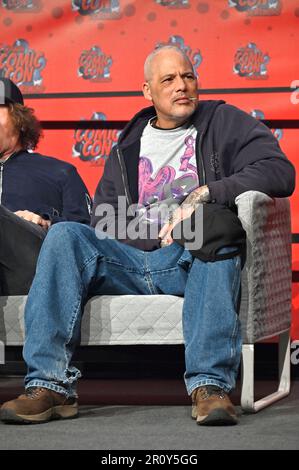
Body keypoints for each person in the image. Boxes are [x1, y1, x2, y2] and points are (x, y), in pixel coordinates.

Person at [0, 46, 295, 426]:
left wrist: (204, 195)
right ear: (147, 91)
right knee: (66, 236)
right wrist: (154, 235)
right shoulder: (128, 145)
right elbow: (104, 221)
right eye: (168, 80)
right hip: (132, 259)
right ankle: (49, 386)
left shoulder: (225, 122)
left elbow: (279, 171)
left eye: (188, 76)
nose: (181, 86)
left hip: (191, 255)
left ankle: (210, 386)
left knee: (214, 227)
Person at [0, 78, 91, 295]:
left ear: (19, 119)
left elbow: (87, 234)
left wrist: (45, 222)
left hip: (34, 266)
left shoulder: (60, 172)